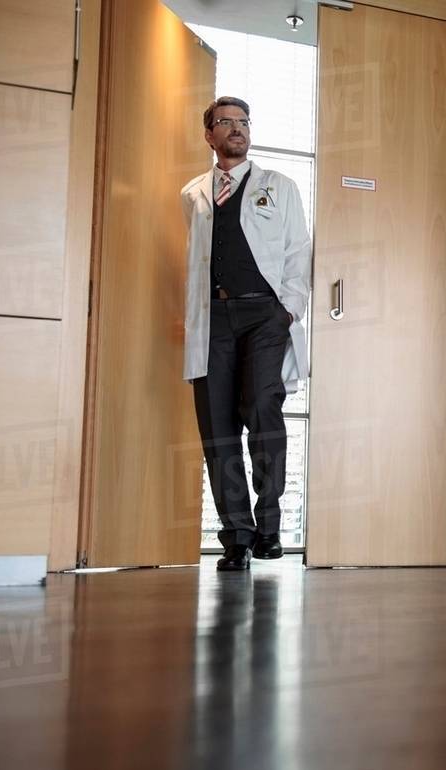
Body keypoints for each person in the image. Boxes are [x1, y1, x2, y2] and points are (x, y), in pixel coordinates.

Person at [180, 96, 311, 571]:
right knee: (217, 428)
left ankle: (269, 526)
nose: (236, 128)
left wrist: (288, 312)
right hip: (212, 318)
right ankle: (236, 536)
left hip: (264, 317)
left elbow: (298, 251)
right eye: (225, 122)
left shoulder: (280, 187)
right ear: (209, 135)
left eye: (243, 122)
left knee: (262, 410)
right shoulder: (193, 193)